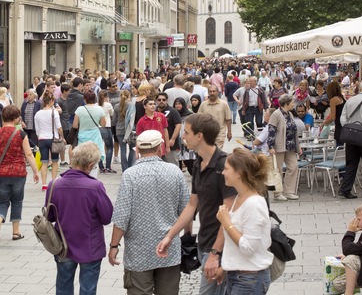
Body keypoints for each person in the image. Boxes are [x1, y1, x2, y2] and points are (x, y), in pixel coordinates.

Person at [157, 113, 236, 295]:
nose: (183, 136)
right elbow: (192, 205)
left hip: (219, 248)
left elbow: (229, 215)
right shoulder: (198, 163)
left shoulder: (224, 166)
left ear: (199, 136)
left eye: (186, 132)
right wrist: (170, 235)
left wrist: (215, 253)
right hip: (204, 242)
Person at [109, 130, 189, 295]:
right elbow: (186, 210)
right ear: (161, 147)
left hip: (139, 252)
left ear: (137, 149)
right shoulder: (175, 172)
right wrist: (187, 236)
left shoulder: (130, 175)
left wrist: (114, 246)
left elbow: (122, 216)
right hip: (169, 249)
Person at [47, 142, 113, 295]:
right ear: (90, 165)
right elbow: (107, 217)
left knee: (63, 287)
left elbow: (49, 216)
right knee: (88, 289)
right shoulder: (95, 187)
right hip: (90, 246)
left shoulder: (54, 184)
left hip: (63, 245)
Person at [215, 148, 273, 294]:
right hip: (238, 276)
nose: (223, 173)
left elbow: (248, 248)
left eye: (226, 169)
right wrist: (226, 267)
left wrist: (226, 222)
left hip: (250, 279)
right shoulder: (239, 198)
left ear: (239, 172)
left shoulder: (254, 204)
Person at [0, 105, 39, 244]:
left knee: (3, 201)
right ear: (16, 118)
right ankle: (16, 232)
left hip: (1, 173)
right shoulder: (21, 134)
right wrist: (35, 171)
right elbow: (28, 154)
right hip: (18, 172)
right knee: (17, 201)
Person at [338, 79, 362, 199]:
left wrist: (349, 127)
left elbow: (342, 118)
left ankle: (345, 189)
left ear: (360, 88)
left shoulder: (350, 100)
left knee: (351, 163)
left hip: (350, 136)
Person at [267, 94, 302, 201]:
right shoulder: (276, 114)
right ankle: (277, 194)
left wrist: (298, 146)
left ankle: (289, 191)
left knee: (293, 166)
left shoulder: (290, 114)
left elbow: (294, 131)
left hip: (290, 146)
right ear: (286, 104)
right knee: (277, 170)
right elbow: (271, 130)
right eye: (292, 102)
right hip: (279, 146)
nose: (293, 104)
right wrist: (270, 146)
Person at [72, 91, 106, 177]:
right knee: (94, 159)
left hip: (82, 135)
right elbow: (103, 124)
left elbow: (75, 125)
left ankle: (82, 177)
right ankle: (93, 178)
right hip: (95, 136)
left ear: (85, 99)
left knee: (82, 158)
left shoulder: (79, 109)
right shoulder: (99, 109)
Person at [34, 92, 63, 188]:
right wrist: (62, 137)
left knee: (44, 162)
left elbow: (37, 129)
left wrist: (40, 136)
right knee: (55, 161)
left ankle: (44, 183)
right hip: (53, 138)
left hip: (42, 138)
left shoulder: (37, 114)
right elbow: (59, 127)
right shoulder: (54, 112)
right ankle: (53, 182)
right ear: (51, 101)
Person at [156, 92, 182, 165]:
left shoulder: (173, 111)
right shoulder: (154, 112)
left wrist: (173, 139)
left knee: (172, 165)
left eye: (163, 100)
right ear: (156, 100)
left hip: (171, 145)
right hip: (157, 145)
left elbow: (178, 125)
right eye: (159, 99)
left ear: (166, 101)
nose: (161, 101)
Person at [115, 90, 136, 172]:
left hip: (119, 129)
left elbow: (114, 120)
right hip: (130, 130)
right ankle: (130, 166)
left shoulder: (117, 106)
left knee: (123, 149)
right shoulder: (131, 105)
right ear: (129, 96)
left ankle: (124, 168)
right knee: (132, 149)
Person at [321, 80, 345, 146]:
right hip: (344, 125)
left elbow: (332, 117)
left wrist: (324, 123)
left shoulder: (333, 100)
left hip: (338, 126)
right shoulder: (342, 98)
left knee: (338, 145)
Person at [99, 90, 116, 172]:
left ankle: (101, 166)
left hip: (98, 128)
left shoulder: (96, 105)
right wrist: (108, 102)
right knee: (109, 147)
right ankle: (108, 166)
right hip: (106, 127)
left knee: (99, 147)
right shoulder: (108, 104)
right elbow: (112, 113)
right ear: (106, 97)